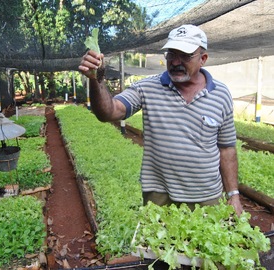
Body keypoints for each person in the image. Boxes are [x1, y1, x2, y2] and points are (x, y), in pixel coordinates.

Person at [78, 24, 243, 216]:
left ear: (203, 59)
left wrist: (234, 194)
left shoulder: (220, 94)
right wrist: (96, 78)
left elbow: (227, 148)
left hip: (206, 197)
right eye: (171, 54)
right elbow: (109, 112)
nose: (175, 62)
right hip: (159, 196)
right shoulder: (147, 88)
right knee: (158, 244)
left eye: (185, 55)